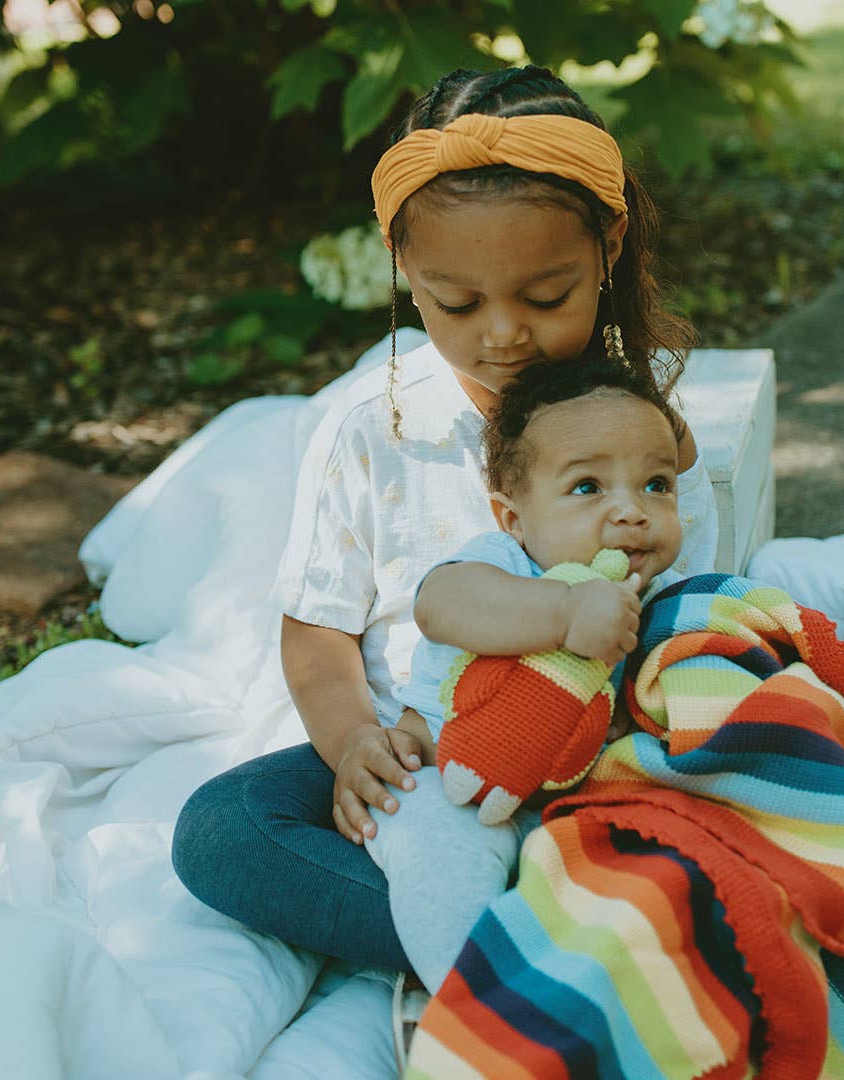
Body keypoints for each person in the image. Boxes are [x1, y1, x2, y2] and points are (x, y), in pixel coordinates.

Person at [171, 65, 719, 977]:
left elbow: (688, 609)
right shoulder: (372, 429)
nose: (502, 334)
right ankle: (544, 951)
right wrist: (354, 746)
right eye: (456, 303)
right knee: (222, 832)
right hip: (423, 754)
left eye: (546, 297)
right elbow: (317, 629)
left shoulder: (644, 437)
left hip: (590, 748)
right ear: (401, 263)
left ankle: (498, 943)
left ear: (609, 246)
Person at [364, 354, 686, 995]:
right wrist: (564, 612)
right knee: (441, 868)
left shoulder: (663, 594)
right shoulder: (502, 562)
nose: (632, 511)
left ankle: (607, 973)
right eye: (589, 488)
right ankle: (477, 1002)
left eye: (656, 484)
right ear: (514, 517)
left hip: (563, 804)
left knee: (658, 872)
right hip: (445, 785)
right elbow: (440, 606)